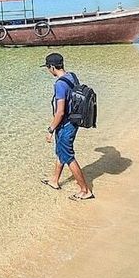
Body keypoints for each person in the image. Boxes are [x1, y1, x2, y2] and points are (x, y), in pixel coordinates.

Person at [40, 52, 94, 200]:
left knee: (68, 156)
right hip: (73, 121)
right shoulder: (72, 76)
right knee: (61, 152)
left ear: (52, 67)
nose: (48, 71)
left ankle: (85, 191)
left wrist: (51, 129)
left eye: (47, 68)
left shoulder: (59, 84)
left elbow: (60, 111)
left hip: (65, 125)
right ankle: (54, 181)